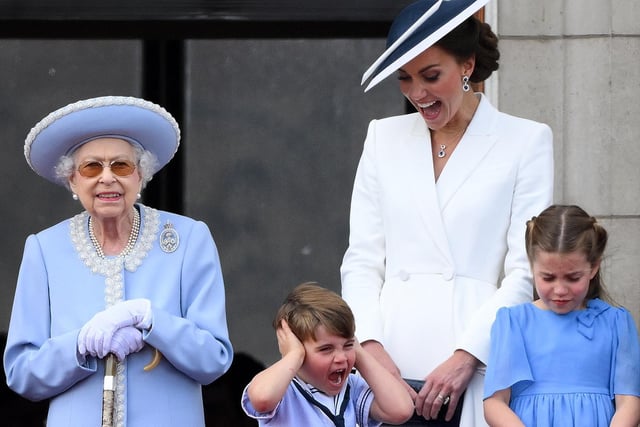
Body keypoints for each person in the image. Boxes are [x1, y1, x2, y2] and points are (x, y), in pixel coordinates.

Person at [340, 0, 554, 425]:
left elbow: (526, 270)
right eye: (405, 79)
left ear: (467, 65)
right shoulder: (382, 137)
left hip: (476, 362)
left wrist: (468, 355)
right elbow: (362, 259)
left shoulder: (525, 141)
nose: (417, 93)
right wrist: (370, 347)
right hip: (389, 365)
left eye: (431, 76)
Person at [3, 96, 234, 427]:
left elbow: (214, 359)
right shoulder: (44, 249)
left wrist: (153, 321)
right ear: (72, 180)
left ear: (141, 176)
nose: (107, 178)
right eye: (91, 167)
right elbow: (21, 373)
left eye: (121, 166)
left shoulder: (188, 240)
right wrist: (79, 344)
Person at [483, 204, 640, 426]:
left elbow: (629, 401)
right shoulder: (513, 323)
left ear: (593, 267)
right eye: (548, 278)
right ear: (532, 266)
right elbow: (495, 402)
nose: (560, 289)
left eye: (573, 278)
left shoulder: (616, 323)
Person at [241, 282, 414, 426]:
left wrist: (359, 352)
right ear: (298, 349)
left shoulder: (351, 387)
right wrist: (293, 355)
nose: (341, 358)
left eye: (347, 345)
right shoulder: (283, 388)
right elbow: (262, 398)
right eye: (326, 349)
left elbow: (401, 410)